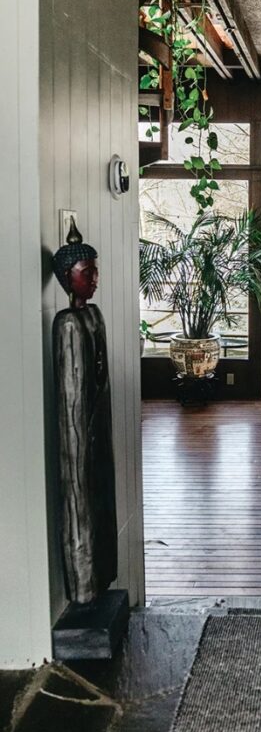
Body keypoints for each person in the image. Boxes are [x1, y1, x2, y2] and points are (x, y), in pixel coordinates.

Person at [53, 219, 117, 605]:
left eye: (95, 272)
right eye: (87, 273)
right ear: (67, 277)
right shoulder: (67, 325)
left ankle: (103, 572)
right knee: (80, 495)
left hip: (98, 427)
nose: (95, 280)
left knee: (100, 489)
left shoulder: (94, 316)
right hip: (79, 432)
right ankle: (83, 585)